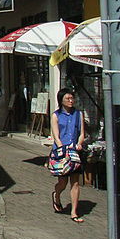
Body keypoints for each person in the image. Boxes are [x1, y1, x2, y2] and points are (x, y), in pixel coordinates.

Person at [50, 88, 86, 222]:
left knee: (75, 182)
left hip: (75, 152)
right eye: (67, 99)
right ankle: (56, 194)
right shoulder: (56, 115)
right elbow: (56, 136)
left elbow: (82, 133)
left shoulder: (78, 114)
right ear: (61, 100)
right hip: (62, 153)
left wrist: (79, 143)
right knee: (63, 181)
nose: (71, 101)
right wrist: (63, 150)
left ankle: (74, 212)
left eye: (72, 98)